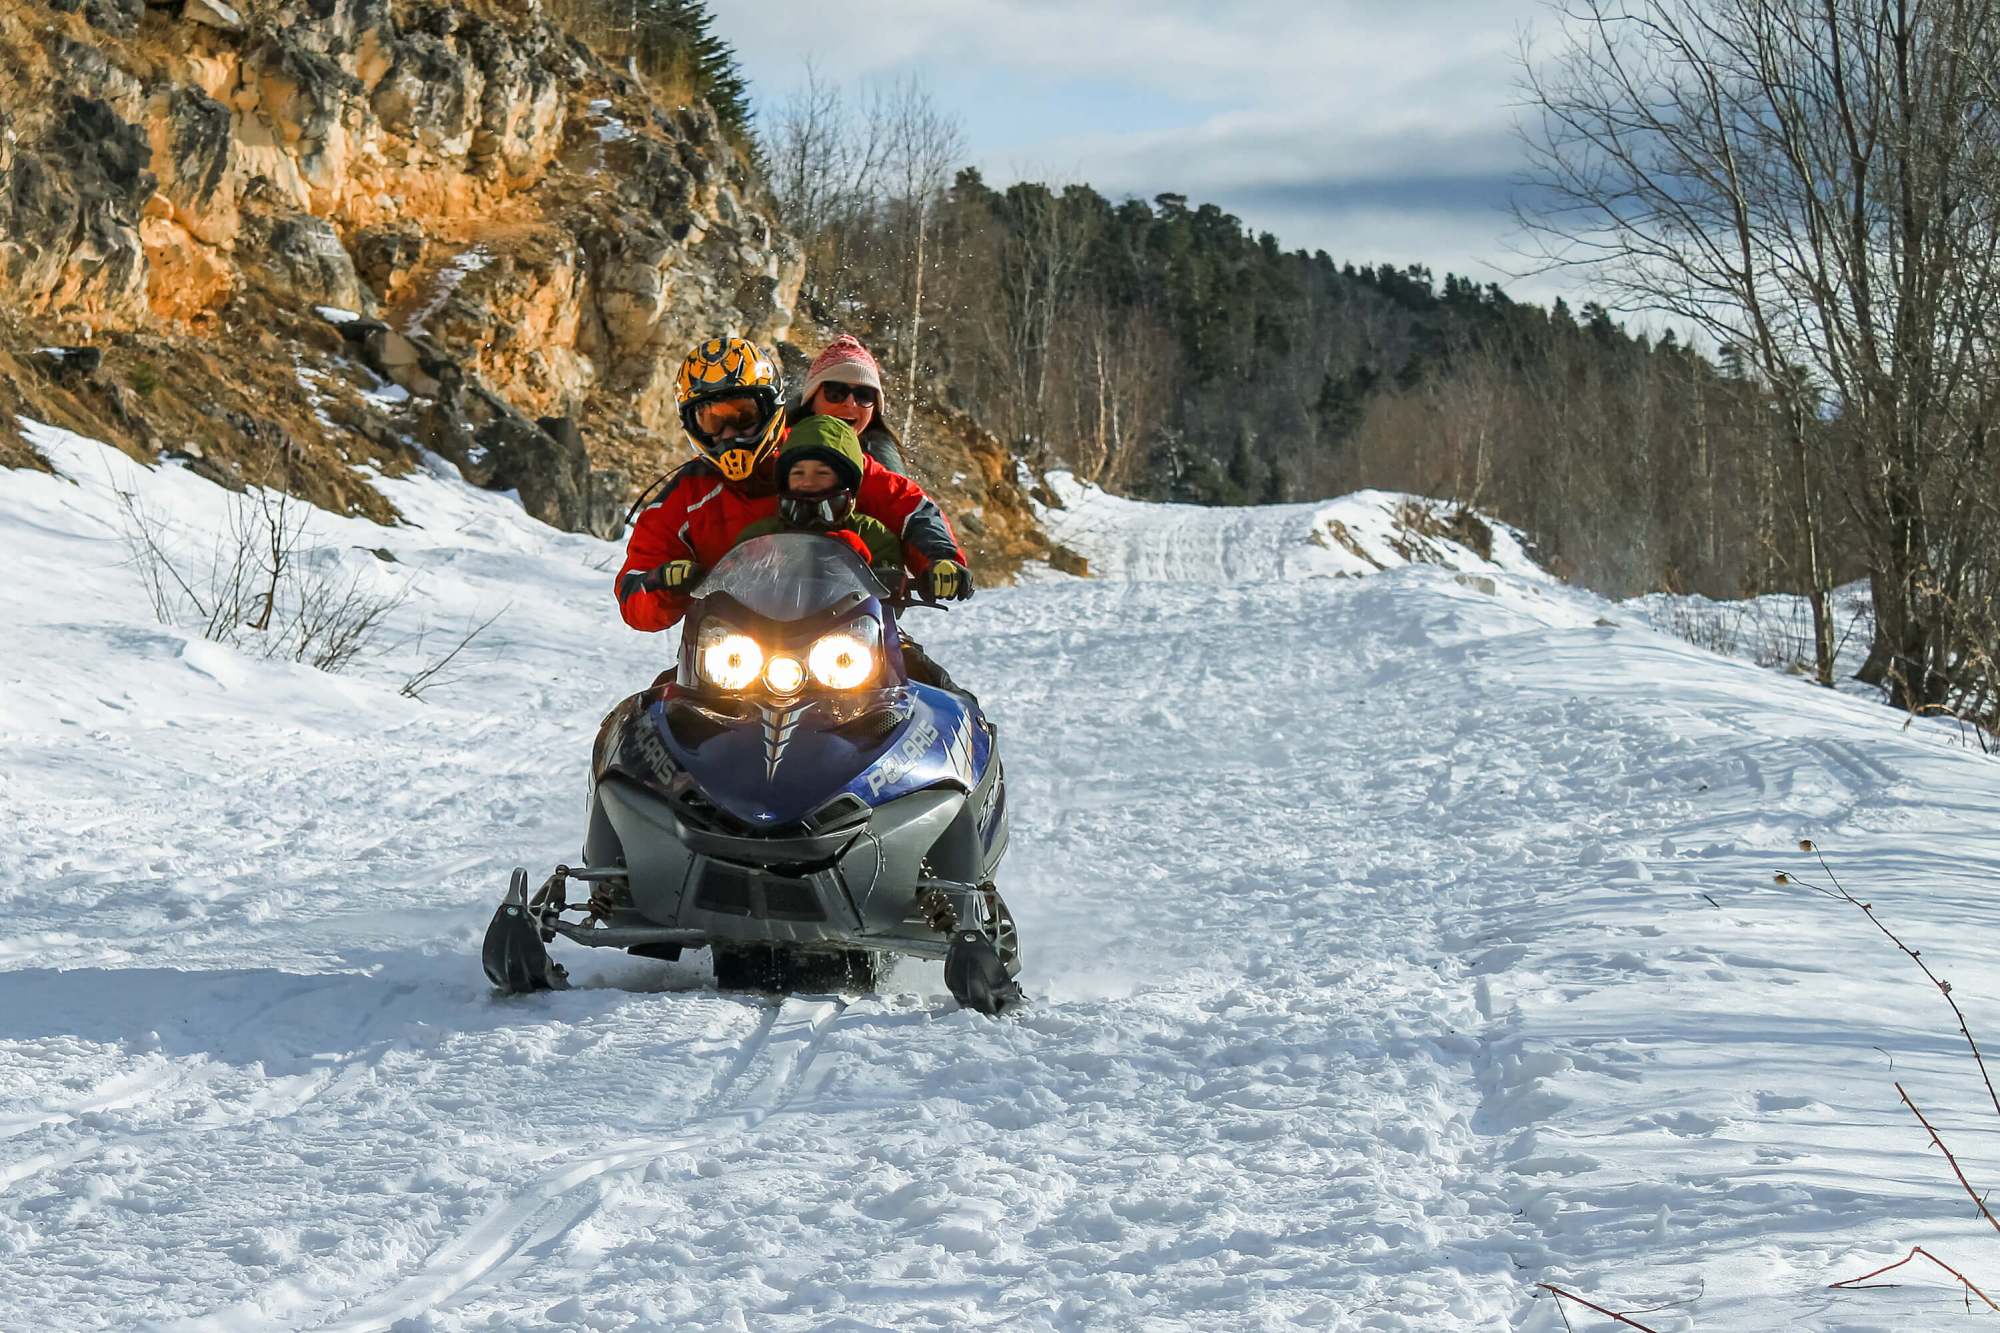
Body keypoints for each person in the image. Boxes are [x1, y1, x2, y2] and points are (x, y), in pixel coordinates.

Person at [615, 336, 972, 634]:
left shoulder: (817, 454)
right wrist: (662, 583)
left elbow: (907, 503)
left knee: (935, 697)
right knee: (649, 712)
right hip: (735, 650)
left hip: (848, 635)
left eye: (742, 416)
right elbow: (635, 590)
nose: (730, 435)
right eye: (712, 422)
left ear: (770, 408)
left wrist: (940, 559)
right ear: (692, 426)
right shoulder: (686, 496)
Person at [732, 415, 970, 694]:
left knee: (940, 689)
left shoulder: (872, 533)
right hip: (763, 640)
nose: (808, 482)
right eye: (798, 474)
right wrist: (693, 575)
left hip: (854, 640)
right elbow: (735, 573)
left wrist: (887, 575)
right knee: (687, 682)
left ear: (845, 481)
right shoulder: (760, 534)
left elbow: (887, 590)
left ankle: (970, 731)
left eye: (821, 473)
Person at [786, 334, 906, 475]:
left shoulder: (882, 465)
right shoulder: (772, 442)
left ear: (874, 409)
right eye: (836, 393)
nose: (850, 403)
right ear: (811, 399)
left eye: (864, 395)